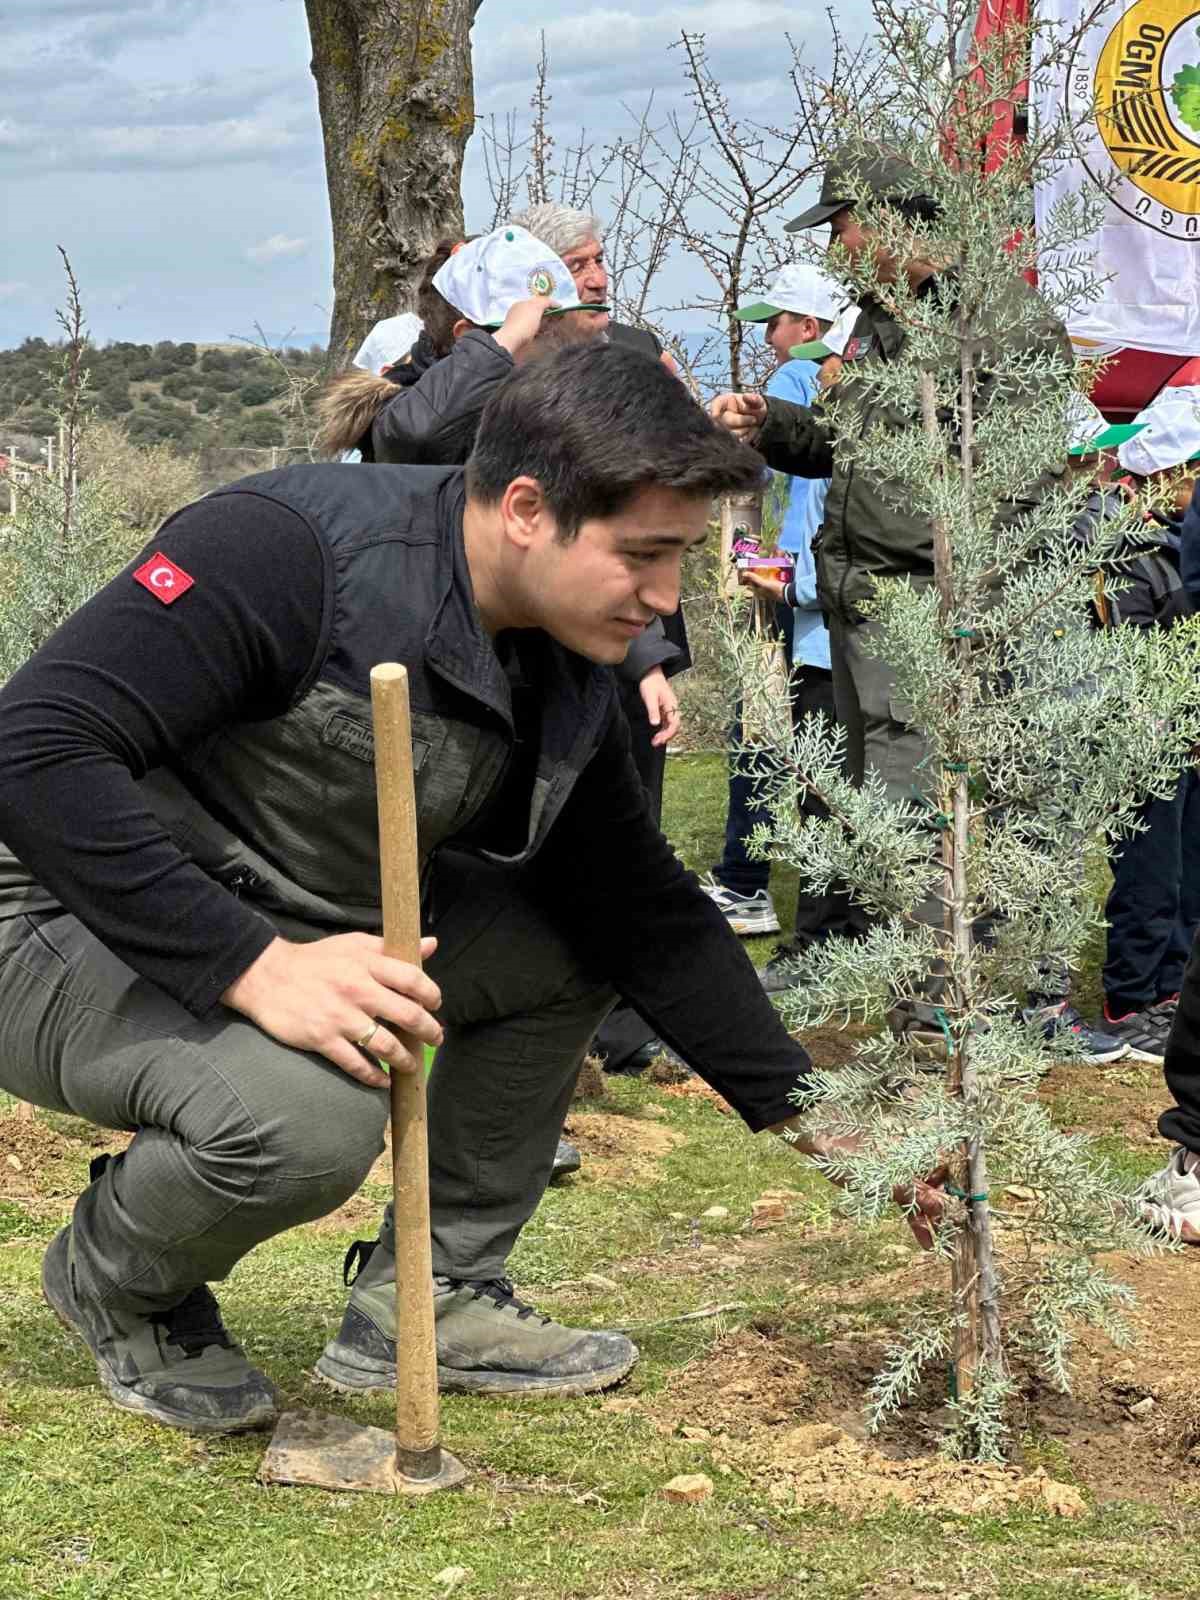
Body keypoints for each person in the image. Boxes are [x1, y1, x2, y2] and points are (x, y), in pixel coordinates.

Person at [0, 346, 947, 1435]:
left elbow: (635, 902)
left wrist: (813, 1110)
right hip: (58, 913)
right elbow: (33, 751)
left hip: (298, 912)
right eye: (643, 554)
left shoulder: (568, 646)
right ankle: (117, 1279)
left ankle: (430, 1294)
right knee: (307, 1114)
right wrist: (255, 969)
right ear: (530, 510)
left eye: (683, 556)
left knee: (570, 942)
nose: (663, 599)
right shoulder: (288, 551)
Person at [709, 146, 1122, 1063]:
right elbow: (845, 451)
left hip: (929, 615)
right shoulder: (876, 324)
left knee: (928, 815)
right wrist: (770, 426)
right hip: (862, 609)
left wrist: (960, 594)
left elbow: (1022, 477)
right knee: (880, 812)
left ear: (897, 222)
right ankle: (926, 1008)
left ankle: (937, 1032)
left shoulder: (998, 322)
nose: (842, 249)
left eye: (847, 226)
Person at [319, 227, 684, 1084]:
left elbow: (595, 549)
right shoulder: (430, 407)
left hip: (547, 681)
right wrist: (508, 338)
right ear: (472, 340)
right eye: (542, 332)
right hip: (440, 697)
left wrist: (643, 661)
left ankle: (572, 1059)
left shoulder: (526, 413)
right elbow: (408, 440)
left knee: (586, 878)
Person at [705, 271, 869, 985]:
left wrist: (771, 576)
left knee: (819, 791)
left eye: (774, 322)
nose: (767, 337)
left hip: (818, 624)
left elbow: (813, 513)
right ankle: (851, 938)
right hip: (836, 613)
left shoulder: (804, 377)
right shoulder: (857, 374)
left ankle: (820, 949)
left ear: (809, 323)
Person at [1088, 383, 1200, 1065]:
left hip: (1187, 737)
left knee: (1188, 875)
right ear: (1166, 473)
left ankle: (1171, 991)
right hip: (1147, 739)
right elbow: (1124, 651)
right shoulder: (1127, 552)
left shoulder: (1178, 544)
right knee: (1150, 876)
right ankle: (1130, 1000)